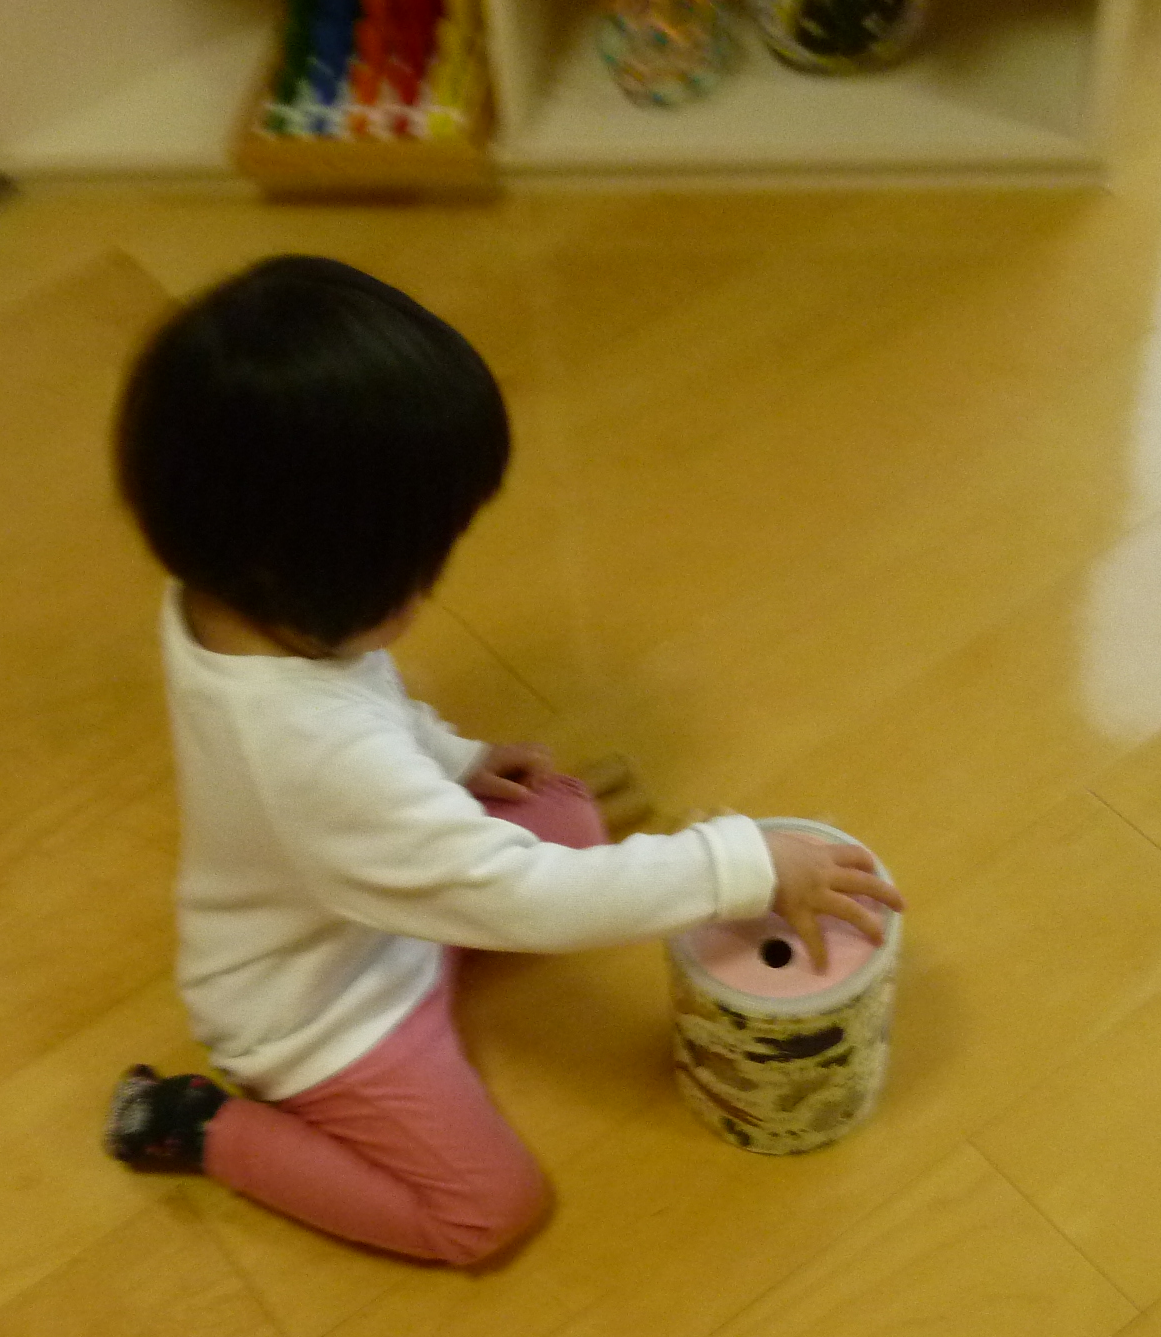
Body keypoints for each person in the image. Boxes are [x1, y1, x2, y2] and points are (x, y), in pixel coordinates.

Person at [103, 255, 898, 1266]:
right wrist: (740, 863)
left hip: (372, 901)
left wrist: (456, 759)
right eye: (407, 576)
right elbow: (511, 887)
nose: (424, 597)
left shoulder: (221, 601)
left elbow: (367, 708)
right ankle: (202, 1128)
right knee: (487, 1212)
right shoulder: (310, 751)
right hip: (321, 1018)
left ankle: (459, 891)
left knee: (564, 812)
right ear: (294, 570)